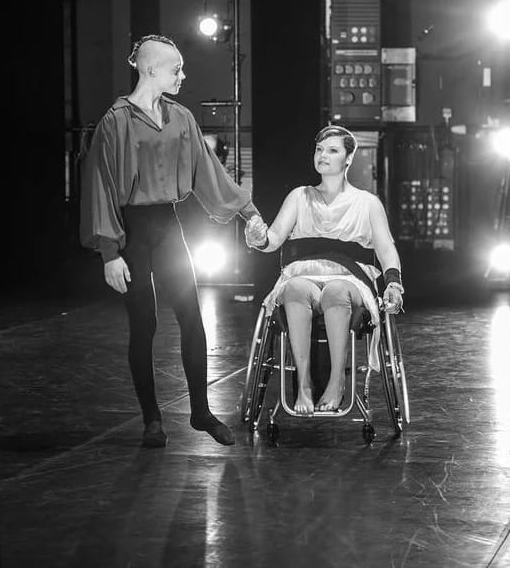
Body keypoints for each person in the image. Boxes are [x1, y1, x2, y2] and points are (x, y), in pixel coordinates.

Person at [80, 34, 267, 447]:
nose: (183, 75)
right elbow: (102, 186)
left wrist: (249, 213)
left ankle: (200, 412)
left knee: (191, 317)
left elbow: (209, 172)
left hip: (167, 225)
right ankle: (152, 419)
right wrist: (111, 252)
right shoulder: (116, 122)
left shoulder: (180, 117)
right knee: (143, 323)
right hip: (131, 230)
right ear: (150, 70)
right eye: (175, 68)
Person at [244, 125, 403, 415]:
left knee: (336, 290)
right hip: (303, 273)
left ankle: (336, 381)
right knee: (294, 288)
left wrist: (393, 282)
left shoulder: (367, 203)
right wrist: (259, 239)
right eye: (319, 149)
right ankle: (303, 384)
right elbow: (274, 238)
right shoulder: (299, 196)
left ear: (348, 158)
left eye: (332, 150)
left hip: (349, 276)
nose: (323, 155)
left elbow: (385, 249)